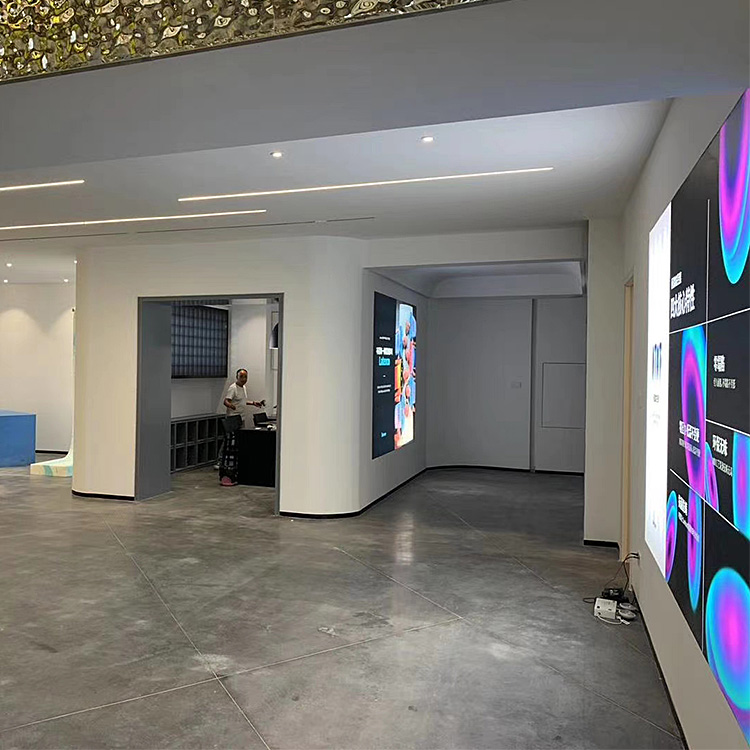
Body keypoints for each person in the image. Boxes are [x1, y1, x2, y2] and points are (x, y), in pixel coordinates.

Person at [218, 369, 265, 486]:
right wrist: (231, 406)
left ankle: (235, 460)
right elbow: (226, 401)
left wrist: (253, 403)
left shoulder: (243, 388)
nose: (244, 379)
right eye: (242, 377)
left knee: (238, 440)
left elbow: (242, 401)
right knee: (229, 440)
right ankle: (220, 461)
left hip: (241, 417)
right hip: (233, 418)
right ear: (237, 377)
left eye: (245, 377)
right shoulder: (233, 388)